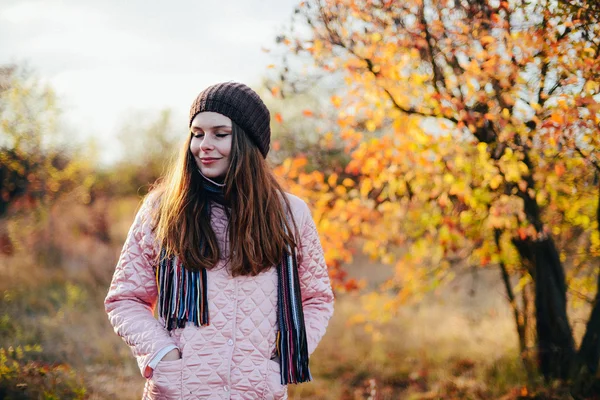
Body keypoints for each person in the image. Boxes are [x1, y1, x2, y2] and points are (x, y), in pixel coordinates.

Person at [104, 82, 335, 399]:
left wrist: (279, 364)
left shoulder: (290, 214)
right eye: (197, 134)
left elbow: (316, 298)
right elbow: (125, 299)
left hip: (256, 391)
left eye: (219, 134)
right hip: (179, 391)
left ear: (247, 141)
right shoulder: (163, 209)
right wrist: (163, 356)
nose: (204, 145)